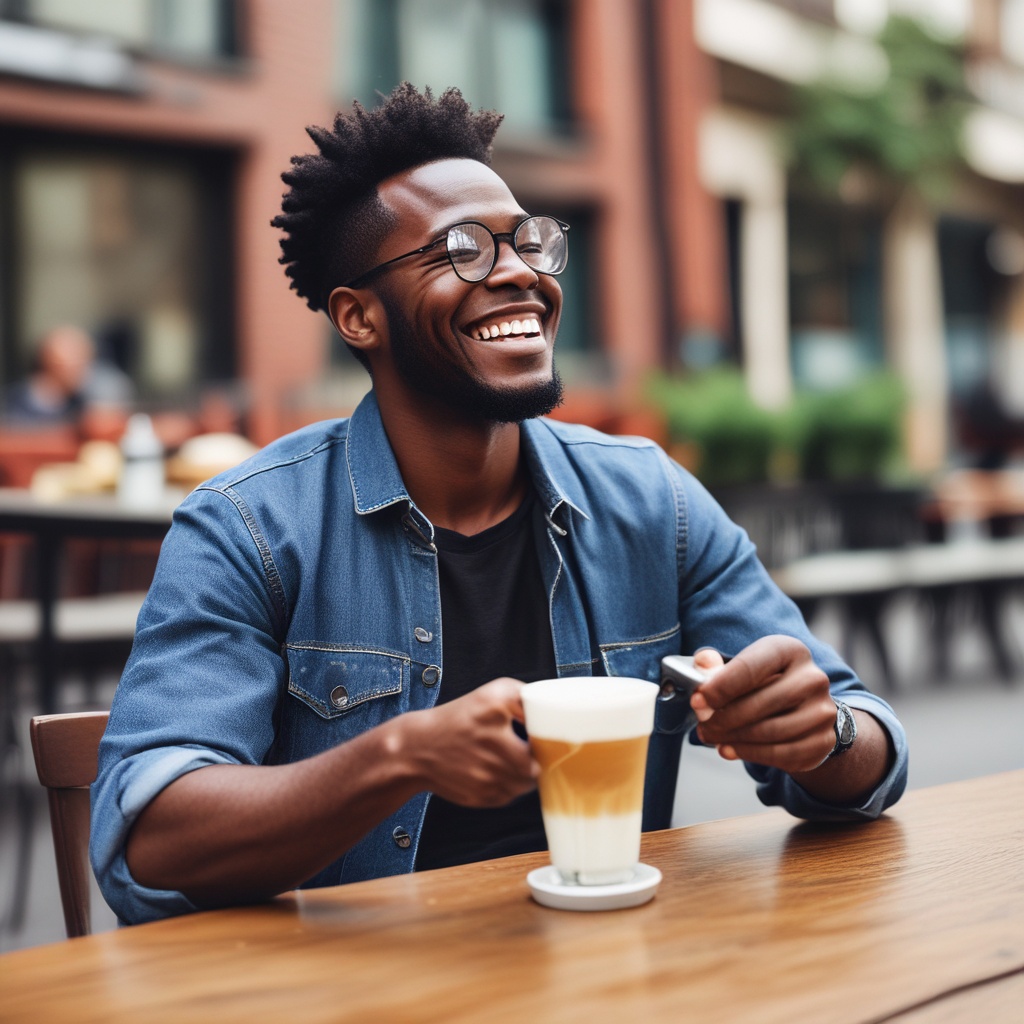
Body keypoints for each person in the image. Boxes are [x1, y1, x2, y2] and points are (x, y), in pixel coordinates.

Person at [91, 84, 907, 925]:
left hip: (608, 971)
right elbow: (147, 842)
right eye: (463, 251)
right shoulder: (250, 527)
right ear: (358, 316)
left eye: (527, 244)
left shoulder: (650, 501)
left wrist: (822, 736)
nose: (519, 272)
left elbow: (870, 743)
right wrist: (398, 756)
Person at [4, 324, 134, 427]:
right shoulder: (11, 405)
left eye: (86, 362)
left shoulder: (81, 404)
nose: (85, 371)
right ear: (49, 361)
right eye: (78, 362)